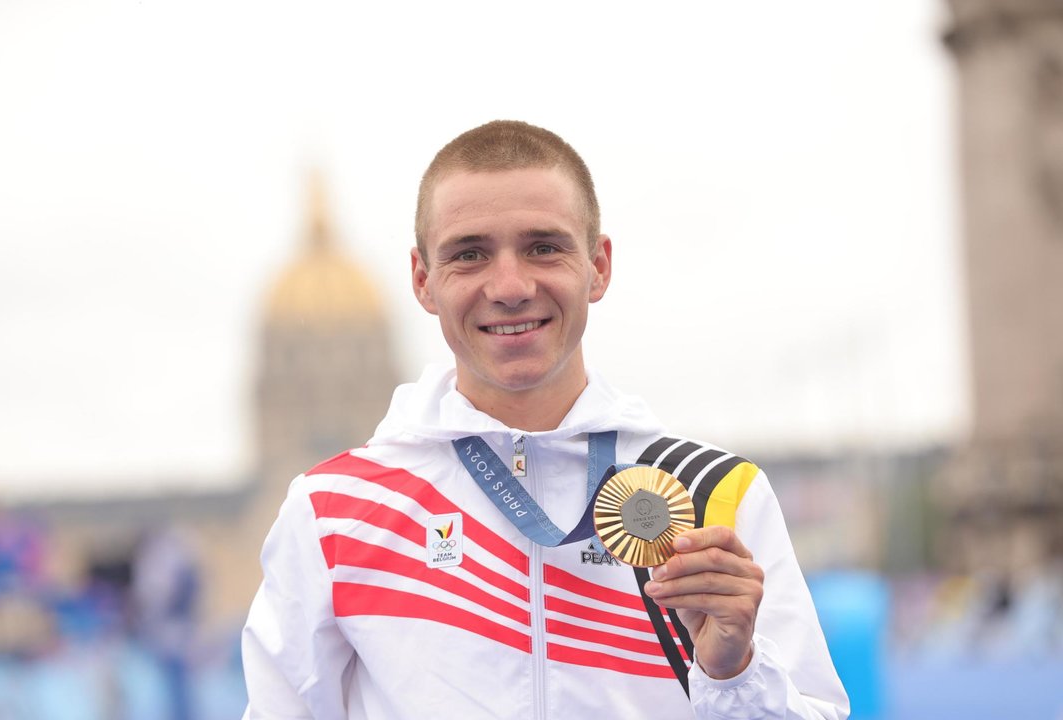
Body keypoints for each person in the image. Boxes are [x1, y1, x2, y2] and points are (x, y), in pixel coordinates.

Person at [241, 120, 850, 719]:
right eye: (470, 254)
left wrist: (733, 673)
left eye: (544, 247)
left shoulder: (715, 493)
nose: (509, 286)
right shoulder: (332, 510)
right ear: (424, 281)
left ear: (599, 266)